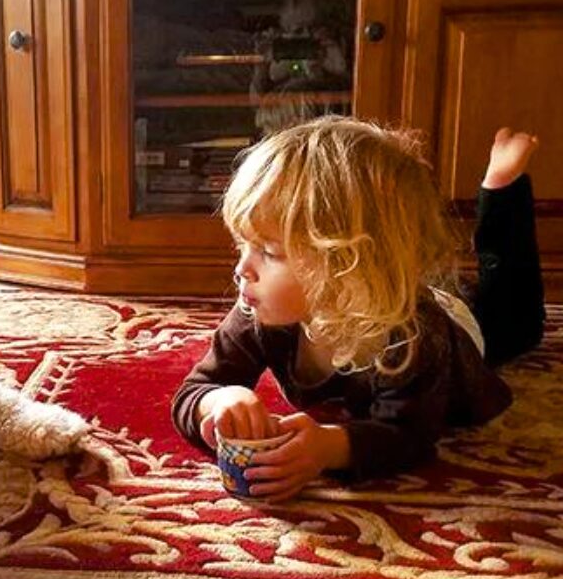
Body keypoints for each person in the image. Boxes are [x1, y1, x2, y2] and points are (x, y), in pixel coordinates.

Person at [171, 117, 544, 501]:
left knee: (515, 316)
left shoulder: (415, 336)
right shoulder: (257, 308)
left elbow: (411, 434)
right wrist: (217, 402)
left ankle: (501, 190)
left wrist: (329, 448)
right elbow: (193, 391)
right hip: (375, 292)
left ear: (347, 263)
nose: (241, 269)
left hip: (457, 330)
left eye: (268, 252)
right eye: (242, 245)